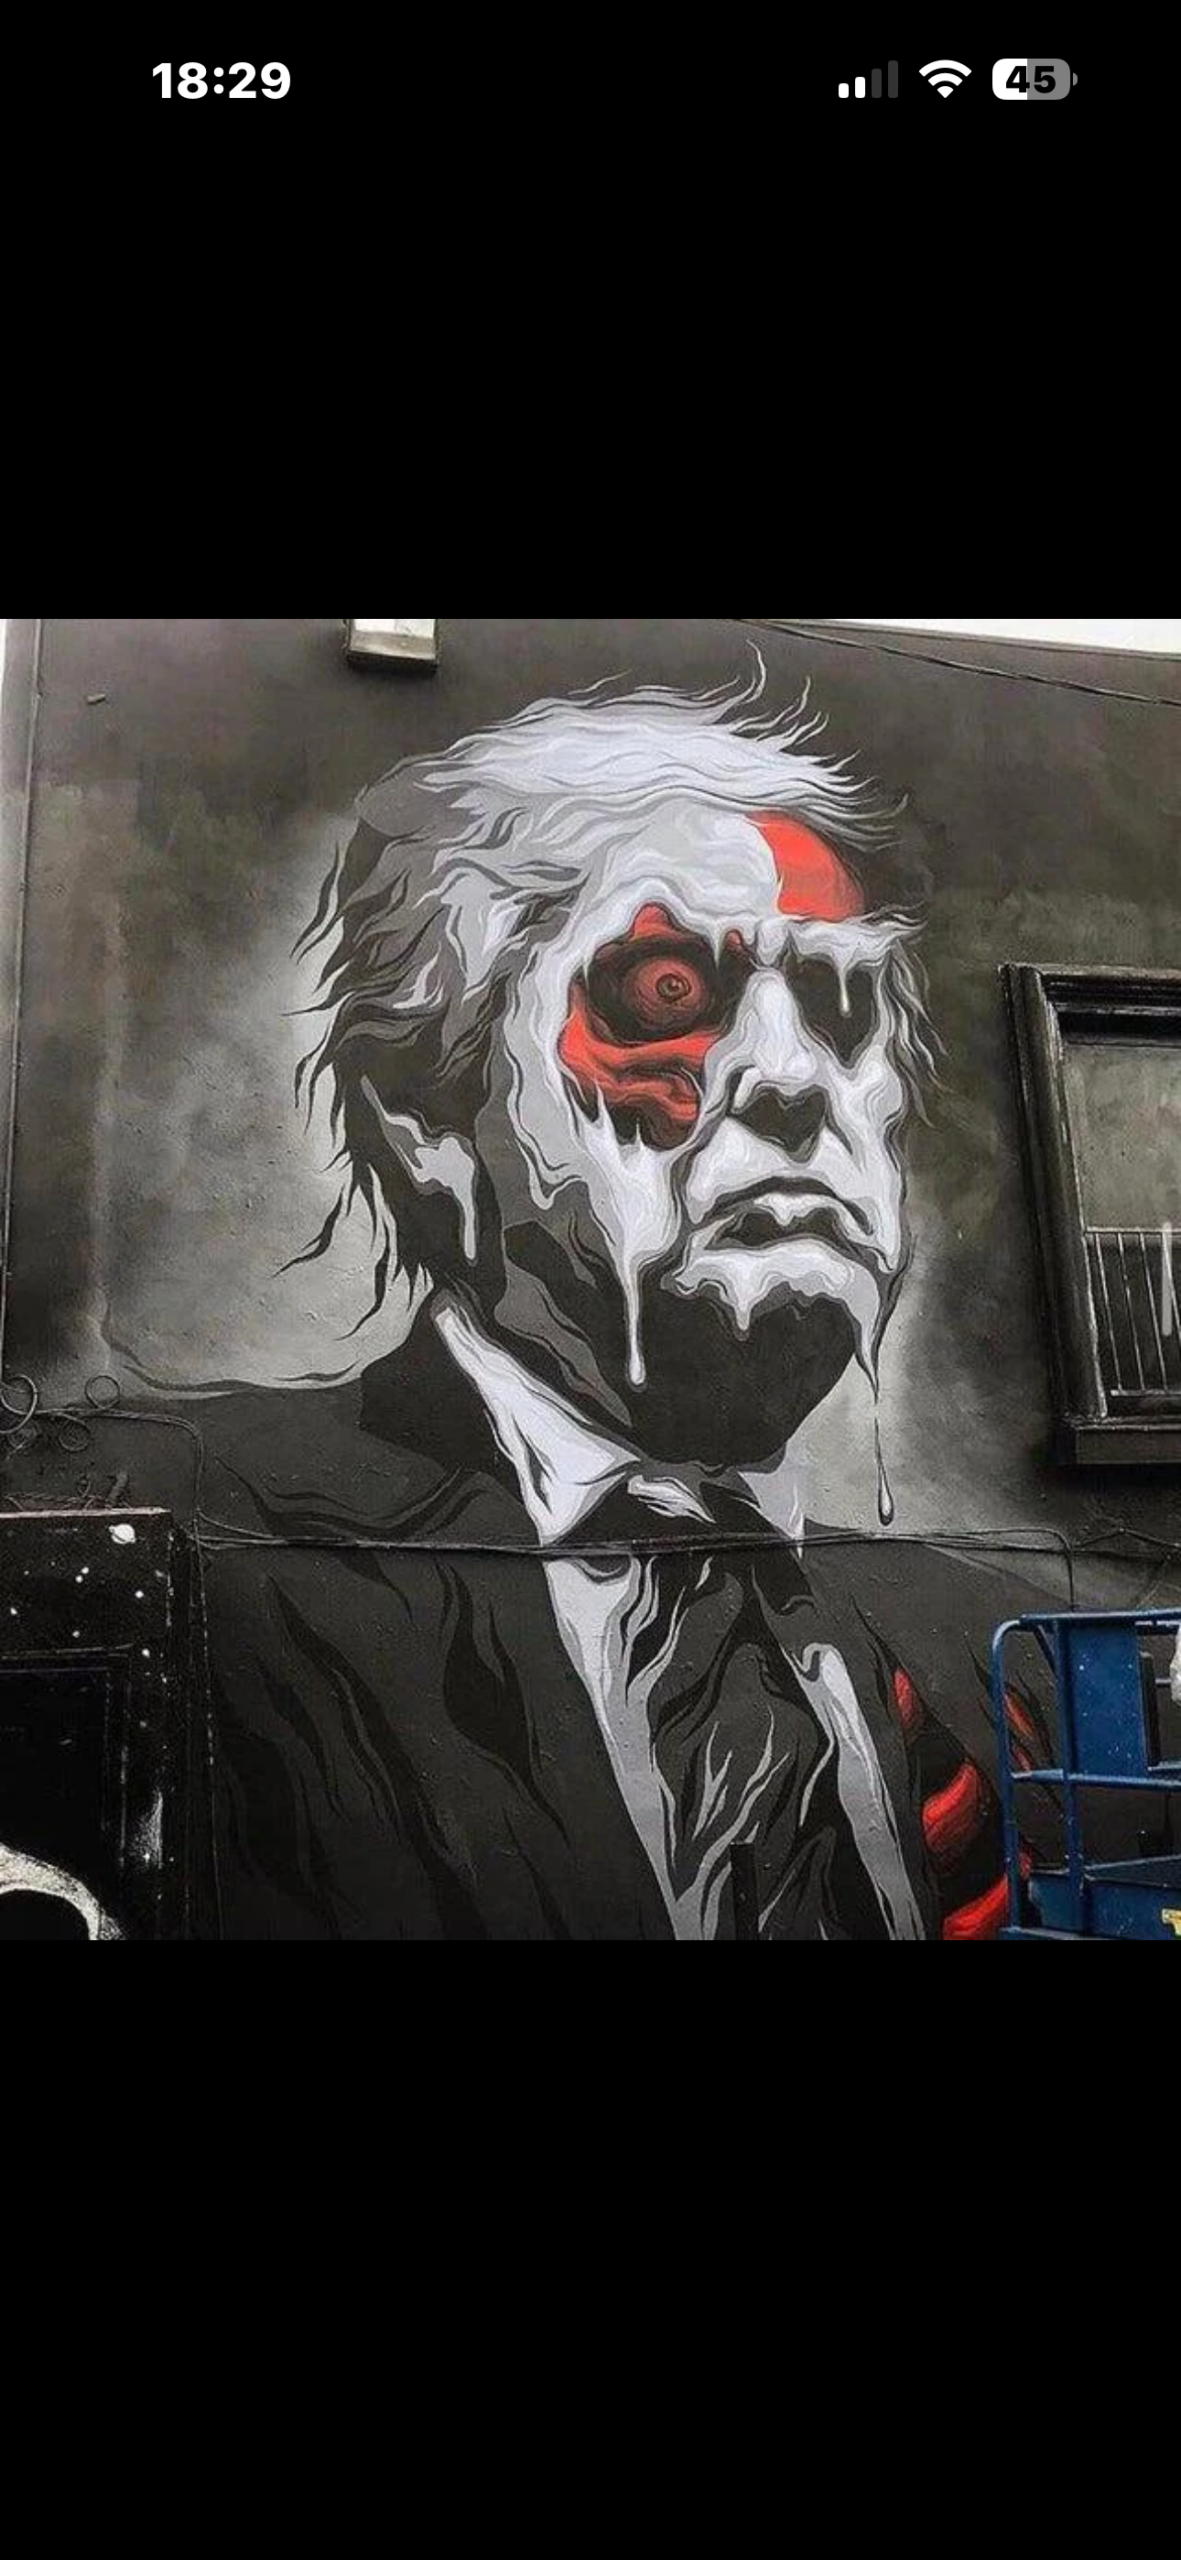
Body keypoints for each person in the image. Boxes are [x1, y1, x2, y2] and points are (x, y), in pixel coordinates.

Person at [159, 671, 1059, 1941]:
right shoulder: (197, 1561)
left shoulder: (994, 1642)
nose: (793, 1079)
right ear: (426, 1121)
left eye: (837, 1003)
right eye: (665, 992)